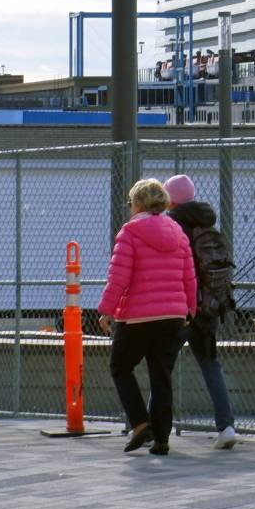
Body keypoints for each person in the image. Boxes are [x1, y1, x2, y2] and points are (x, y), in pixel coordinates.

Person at [98, 178, 196, 455]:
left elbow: (118, 277)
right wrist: (189, 309)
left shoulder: (130, 232)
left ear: (138, 203)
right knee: (161, 376)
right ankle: (162, 439)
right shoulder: (178, 232)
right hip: (173, 316)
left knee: (120, 367)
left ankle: (140, 423)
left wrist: (106, 310)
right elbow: (189, 277)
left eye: (130, 203)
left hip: (138, 317)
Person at [165, 174, 239, 449]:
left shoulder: (172, 226)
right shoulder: (207, 223)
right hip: (208, 307)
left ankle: (154, 424)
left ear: (171, 198)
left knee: (163, 366)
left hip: (181, 306)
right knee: (210, 365)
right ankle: (227, 426)